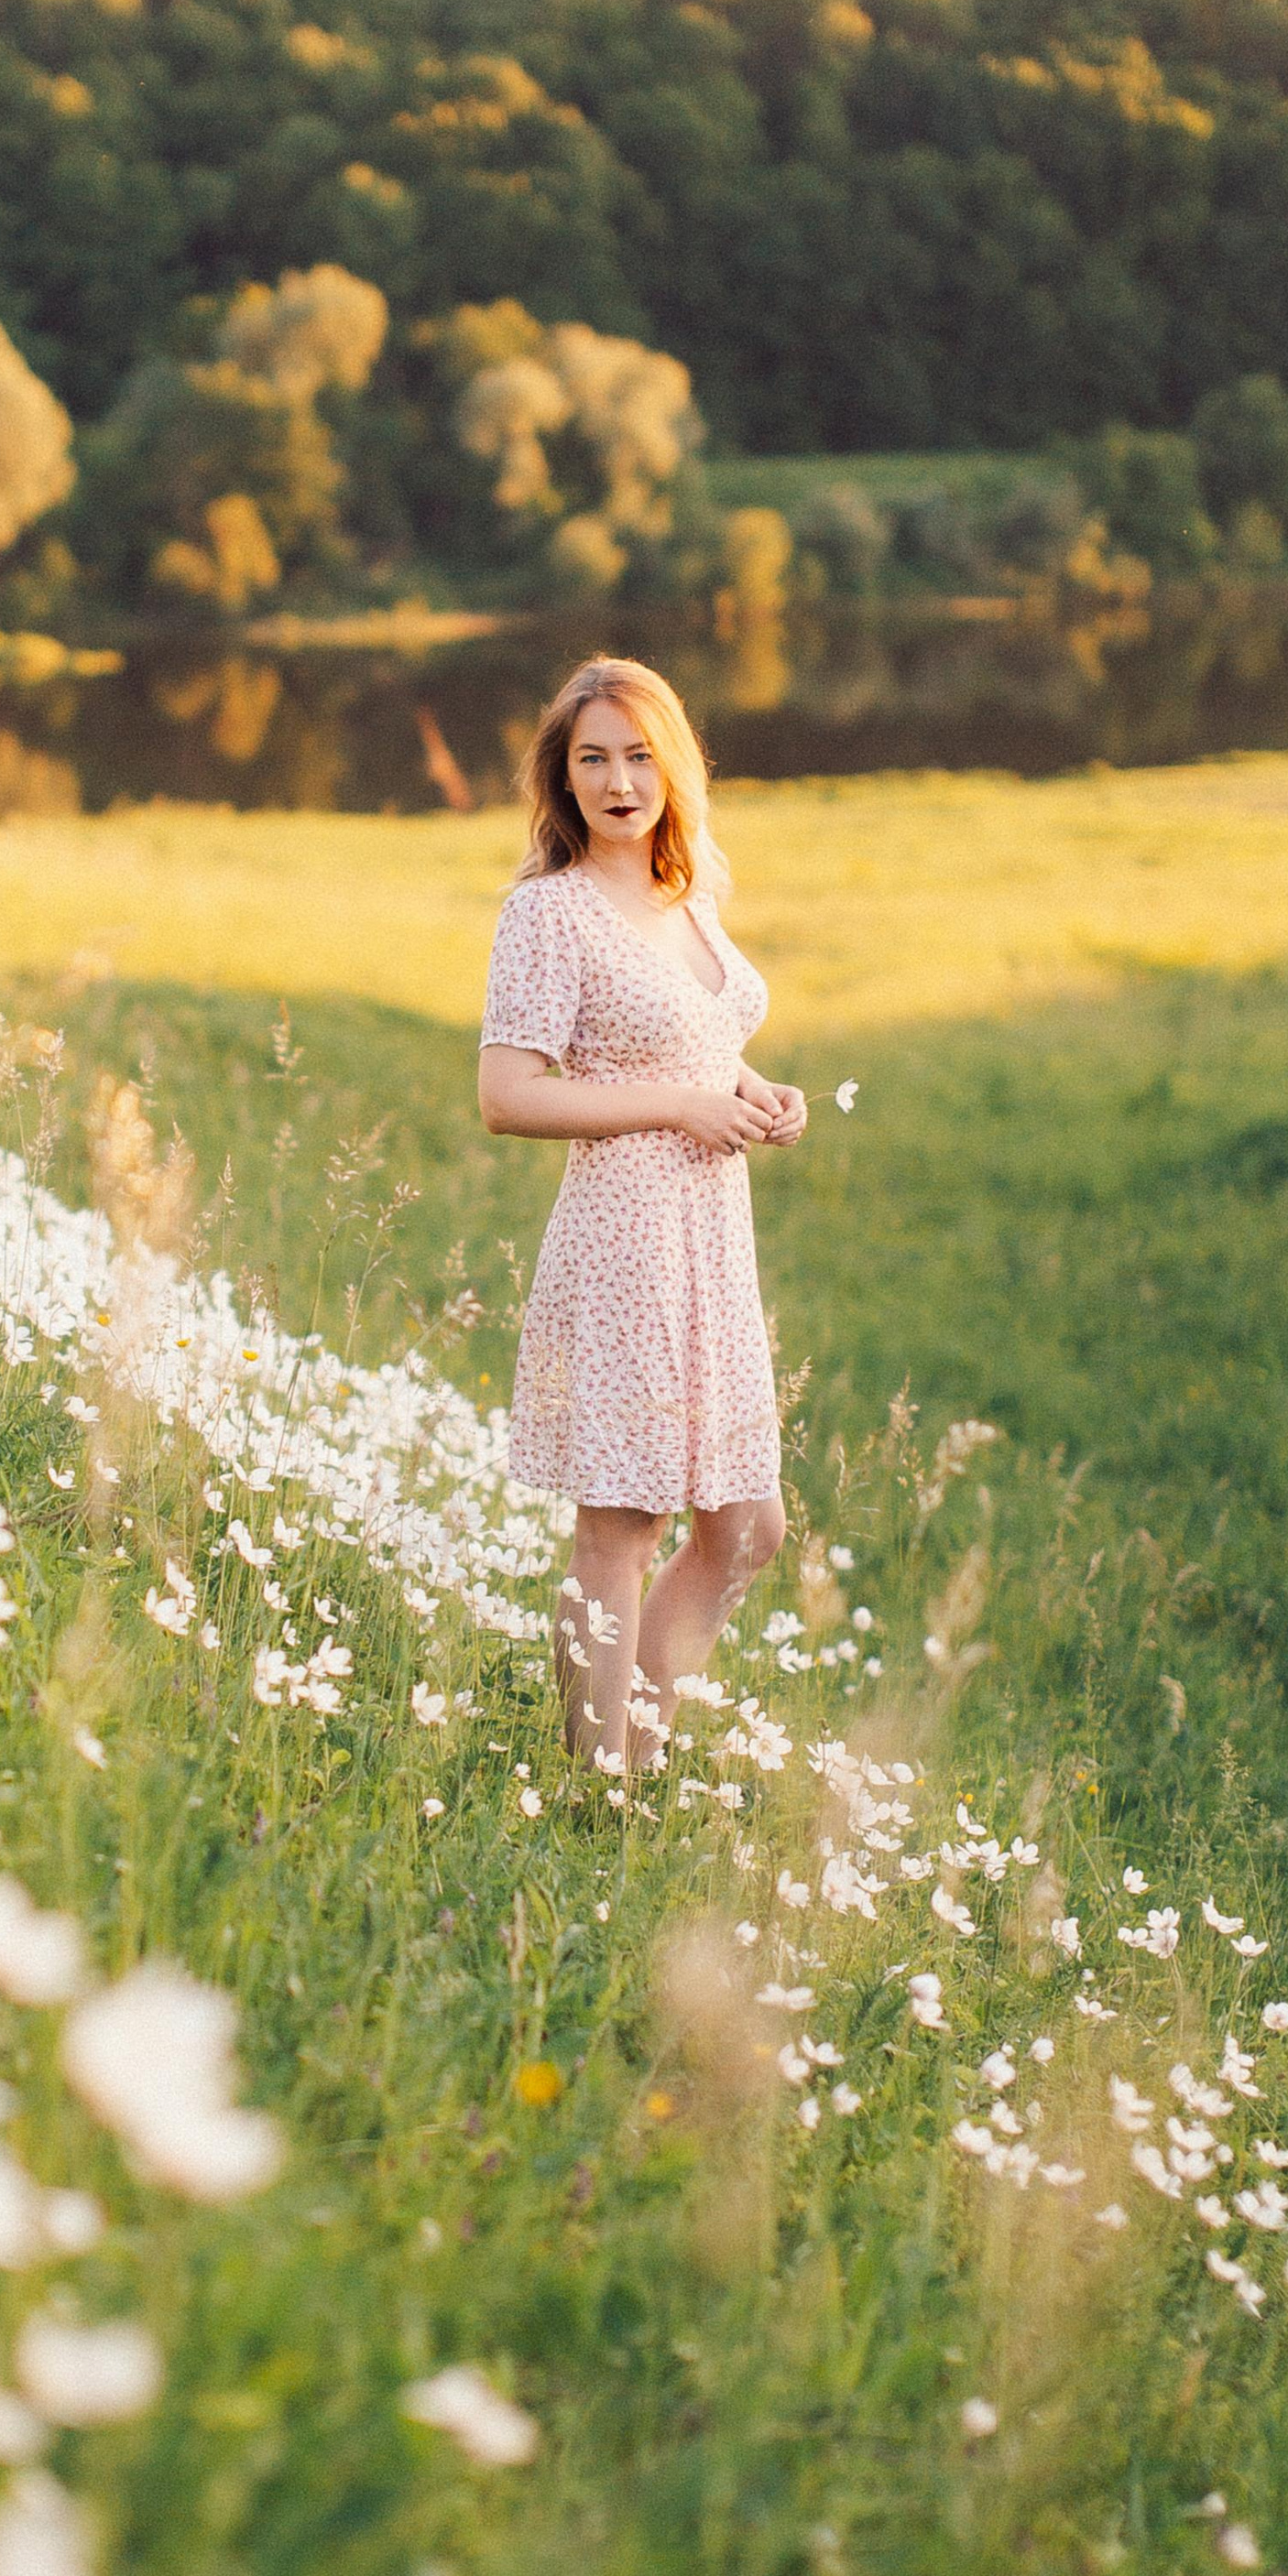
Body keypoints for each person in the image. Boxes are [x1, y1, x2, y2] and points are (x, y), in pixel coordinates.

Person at [477, 654, 802, 1773]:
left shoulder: (687, 894)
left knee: (745, 1528)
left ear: (673, 764)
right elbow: (507, 1095)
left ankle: (631, 1755)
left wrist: (751, 1087)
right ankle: (592, 1783)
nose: (618, 781)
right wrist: (679, 1104)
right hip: (623, 1239)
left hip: (712, 1240)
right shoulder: (549, 915)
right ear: (561, 781)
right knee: (622, 1524)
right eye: (591, 760)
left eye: (637, 755)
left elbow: (696, 1042)